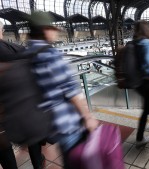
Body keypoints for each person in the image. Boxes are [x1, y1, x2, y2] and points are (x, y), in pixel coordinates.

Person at [26, 11, 98, 169]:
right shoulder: (50, 55)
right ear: (45, 30)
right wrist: (87, 117)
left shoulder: (26, 54)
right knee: (77, 162)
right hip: (67, 123)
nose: (55, 33)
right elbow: (71, 91)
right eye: (52, 28)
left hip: (49, 124)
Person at [0, 21, 46, 169]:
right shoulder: (17, 49)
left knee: (4, 152)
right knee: (33, 141)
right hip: (22, 108)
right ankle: (38, 164)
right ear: (2, 30)